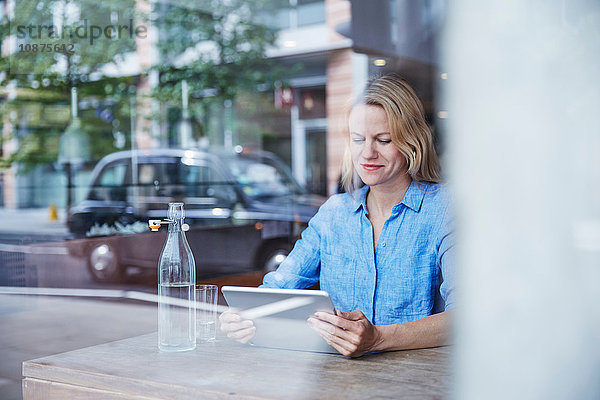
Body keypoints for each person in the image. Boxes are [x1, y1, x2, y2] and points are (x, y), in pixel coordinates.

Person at [220, 74, 455, 357]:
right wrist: (243, 318)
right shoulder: (334, 213)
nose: (368, 153)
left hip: (416, 382)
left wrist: (379, 338)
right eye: (358, 140)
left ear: (411, 142)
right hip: (338, 381)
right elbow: (278, 287)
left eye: (383, 139)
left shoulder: (444, 208)